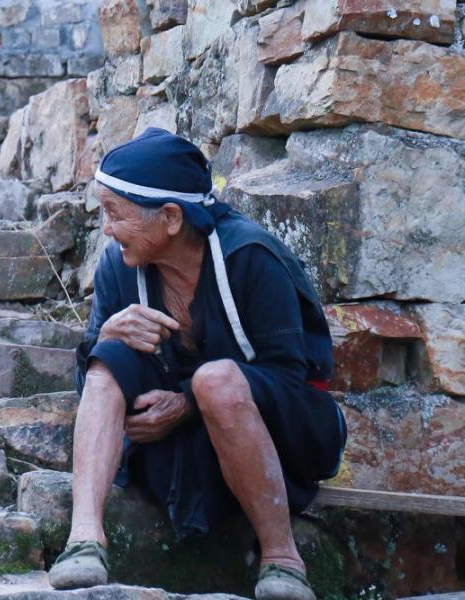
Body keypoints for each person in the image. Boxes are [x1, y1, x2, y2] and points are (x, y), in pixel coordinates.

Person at [47, 128, 347, 600]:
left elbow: (291, 380)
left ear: (170, 218)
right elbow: (89, 374)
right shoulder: (119, 266)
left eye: (114, 214)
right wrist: (104, 336)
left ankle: (283, 560)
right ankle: (85, 540)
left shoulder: (250, 258)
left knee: (217, 380)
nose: (107, 229)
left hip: (284, 437)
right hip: (182, 446)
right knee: (107, 359)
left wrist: (189, 402)